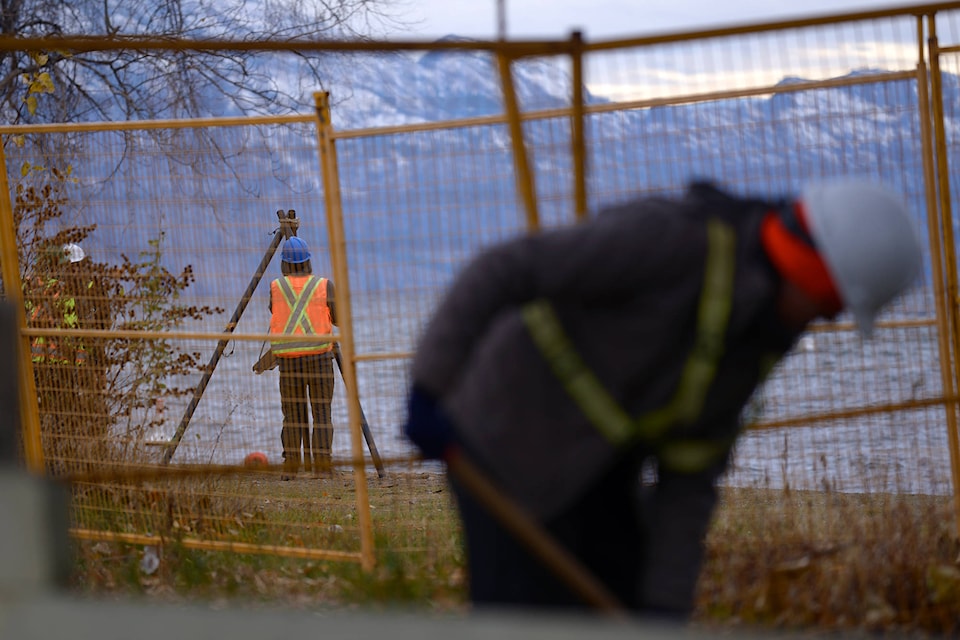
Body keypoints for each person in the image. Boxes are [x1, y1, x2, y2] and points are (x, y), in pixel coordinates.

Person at [403, 178, 923, 617]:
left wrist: (665, 610)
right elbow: (504, 268)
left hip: (597, 466)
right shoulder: (675, 240)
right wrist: (429, 387)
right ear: (809, 269)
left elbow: (690, 479)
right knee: (526, 617)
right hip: (501, 436)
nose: (827, 319)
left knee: (624, 601)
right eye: (831, 303)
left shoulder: (755, 338)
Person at [260, 236, 338, 480]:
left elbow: (277, 312)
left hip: (289, 362)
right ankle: (323, 468)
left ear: (284, 264)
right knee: (322, 413)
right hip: (320, 359)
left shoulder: (276, 287)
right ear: (308, 261)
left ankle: (291, 468)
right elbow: (338, 319)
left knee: (292, 415)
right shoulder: (325, 286)